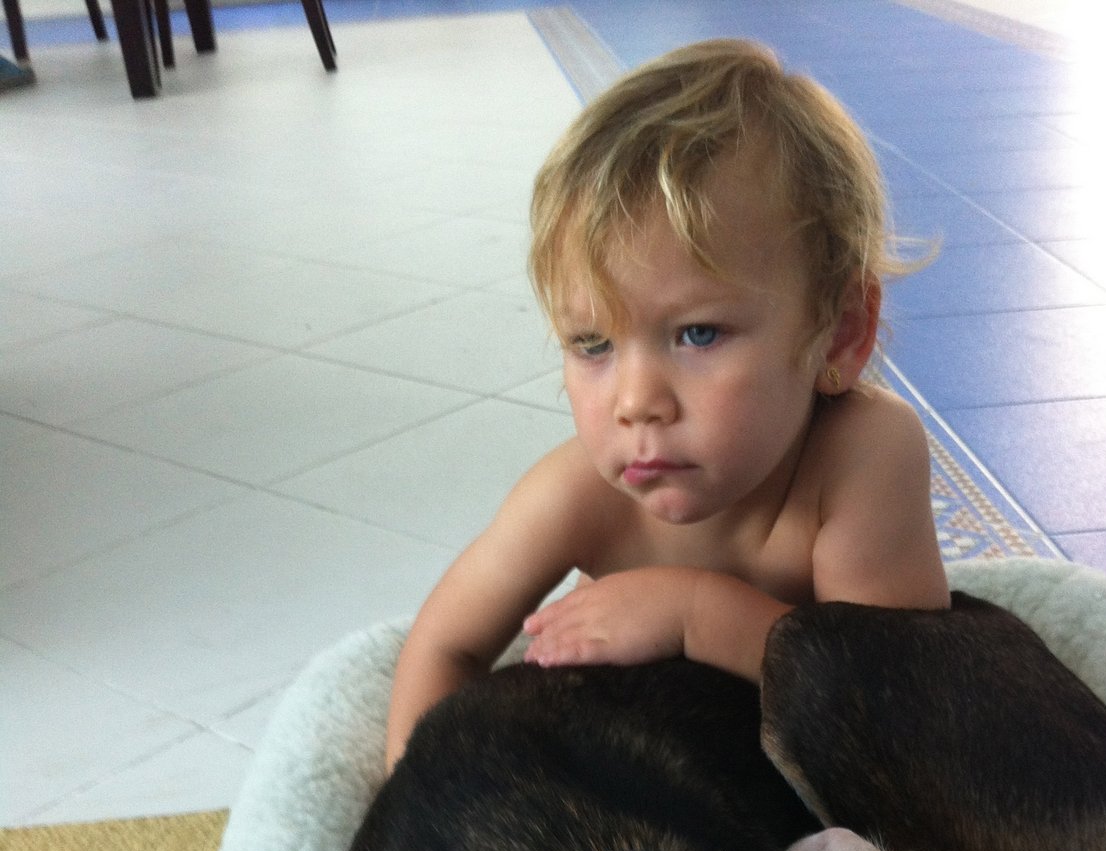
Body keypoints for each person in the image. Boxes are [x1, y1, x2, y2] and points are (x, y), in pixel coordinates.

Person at [385, 37, 948, 768]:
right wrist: (416, 794)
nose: (635, 403)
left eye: (697, 334)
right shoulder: (575, 496)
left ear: (838, 333)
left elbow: (898, 698)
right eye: (592, 344)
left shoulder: (861, 455)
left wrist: (695, 615)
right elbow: (445, 646)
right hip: (659, 786)